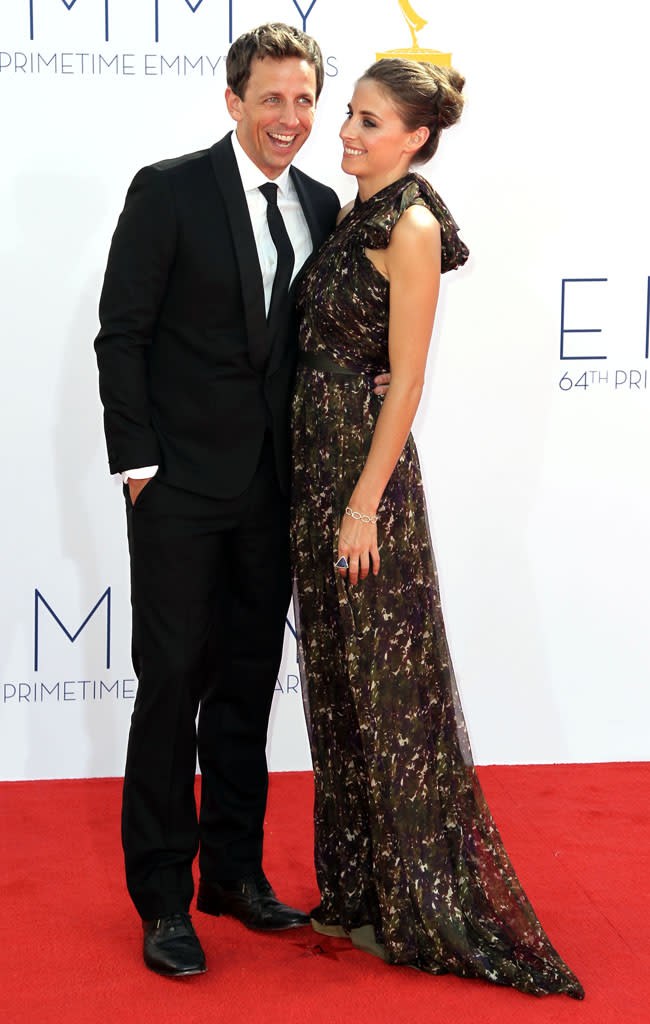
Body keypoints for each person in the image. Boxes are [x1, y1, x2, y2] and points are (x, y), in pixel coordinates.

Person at [94, 23, 383, 978]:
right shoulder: (168, 189)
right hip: (177, 489)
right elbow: (122, 333)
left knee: (250, 684)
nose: (291, 119)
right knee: (170, 687)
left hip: (276, 490)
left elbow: (322, 337)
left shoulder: (322, 204)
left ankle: (231, 874)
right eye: (272, 99)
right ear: (233, 101)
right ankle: (165, 900)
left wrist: (369, 381)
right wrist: (137, 465)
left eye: (306, 101)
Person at [291, 58, 585, 998]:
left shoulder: (411, 227)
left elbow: (407, 379)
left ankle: (420, 907)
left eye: (369, 122)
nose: (346, 132)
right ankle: (358, 893)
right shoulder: (350, 213)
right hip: (315, 473)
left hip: (361, 492)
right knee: (337, 688)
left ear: (416, 137)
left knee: (391, 703)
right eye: (350, 113)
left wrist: (364, 501)